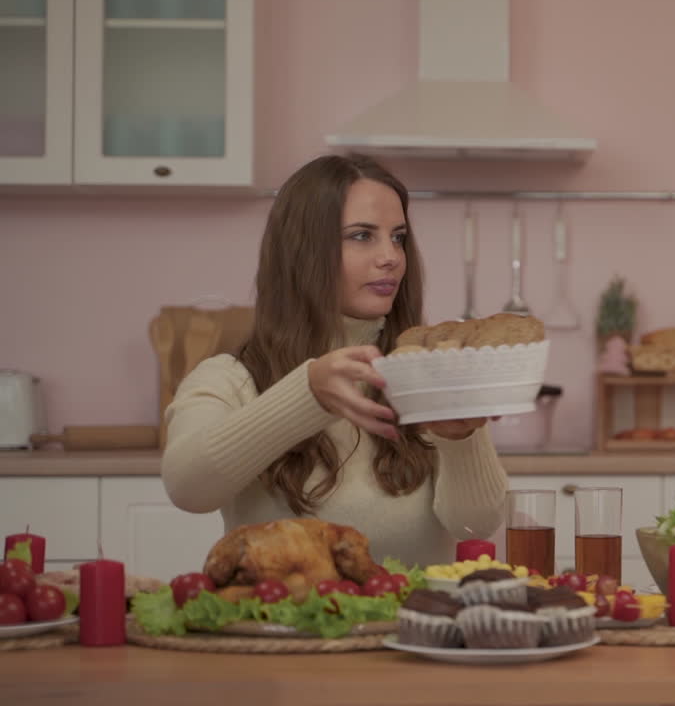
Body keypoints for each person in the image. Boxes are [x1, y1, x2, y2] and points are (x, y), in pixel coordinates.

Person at [162, 154, 508, 567]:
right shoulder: (231, 379)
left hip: (412, 629)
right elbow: (187, 489)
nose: (391, 257)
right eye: (362, 236)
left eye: (397, 237)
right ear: (302, 251)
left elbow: (474, 528)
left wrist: (461, 440)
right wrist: (308, 394)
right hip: (286, 630)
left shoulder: (427, 371)